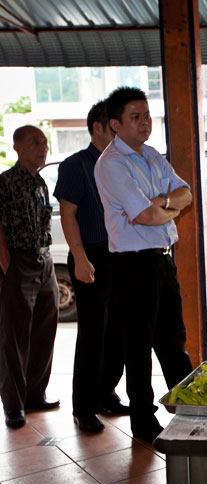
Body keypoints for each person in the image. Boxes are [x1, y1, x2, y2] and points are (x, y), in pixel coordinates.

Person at [95, 86, 193, 443]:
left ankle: (188, 409)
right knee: (138, 346)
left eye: (147, 115)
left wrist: (163, 201)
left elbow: (186, 194)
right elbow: (146, 215)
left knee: (173, 341)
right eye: (135, 117)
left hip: (162, 261)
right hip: (132, 267)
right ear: (115, 124)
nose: (145, 123)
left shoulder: (151, 155)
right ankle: (143, 422)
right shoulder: (111, 164)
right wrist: (164, 207)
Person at [54, 100, 129, 434]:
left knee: (118, 331)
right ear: (97, 127)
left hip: (119, 255)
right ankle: (83, 407)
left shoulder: (120, 164)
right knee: (92, 335)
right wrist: (80, 259)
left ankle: (106, 394)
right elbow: (67, 215)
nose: (117, 131)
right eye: (112, 125)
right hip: (91, 255)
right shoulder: (75, 165)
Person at [0, 125, 60, 428]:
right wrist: (6, 263)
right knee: (14, 337)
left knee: (45, 329)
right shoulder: (6, 182)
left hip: (44, 259)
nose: (42, 147)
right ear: (18, 148)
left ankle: (35, 393)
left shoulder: (40, 183)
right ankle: (14, 404)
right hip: (18, 263)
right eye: (35, 142)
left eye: (44, 142)